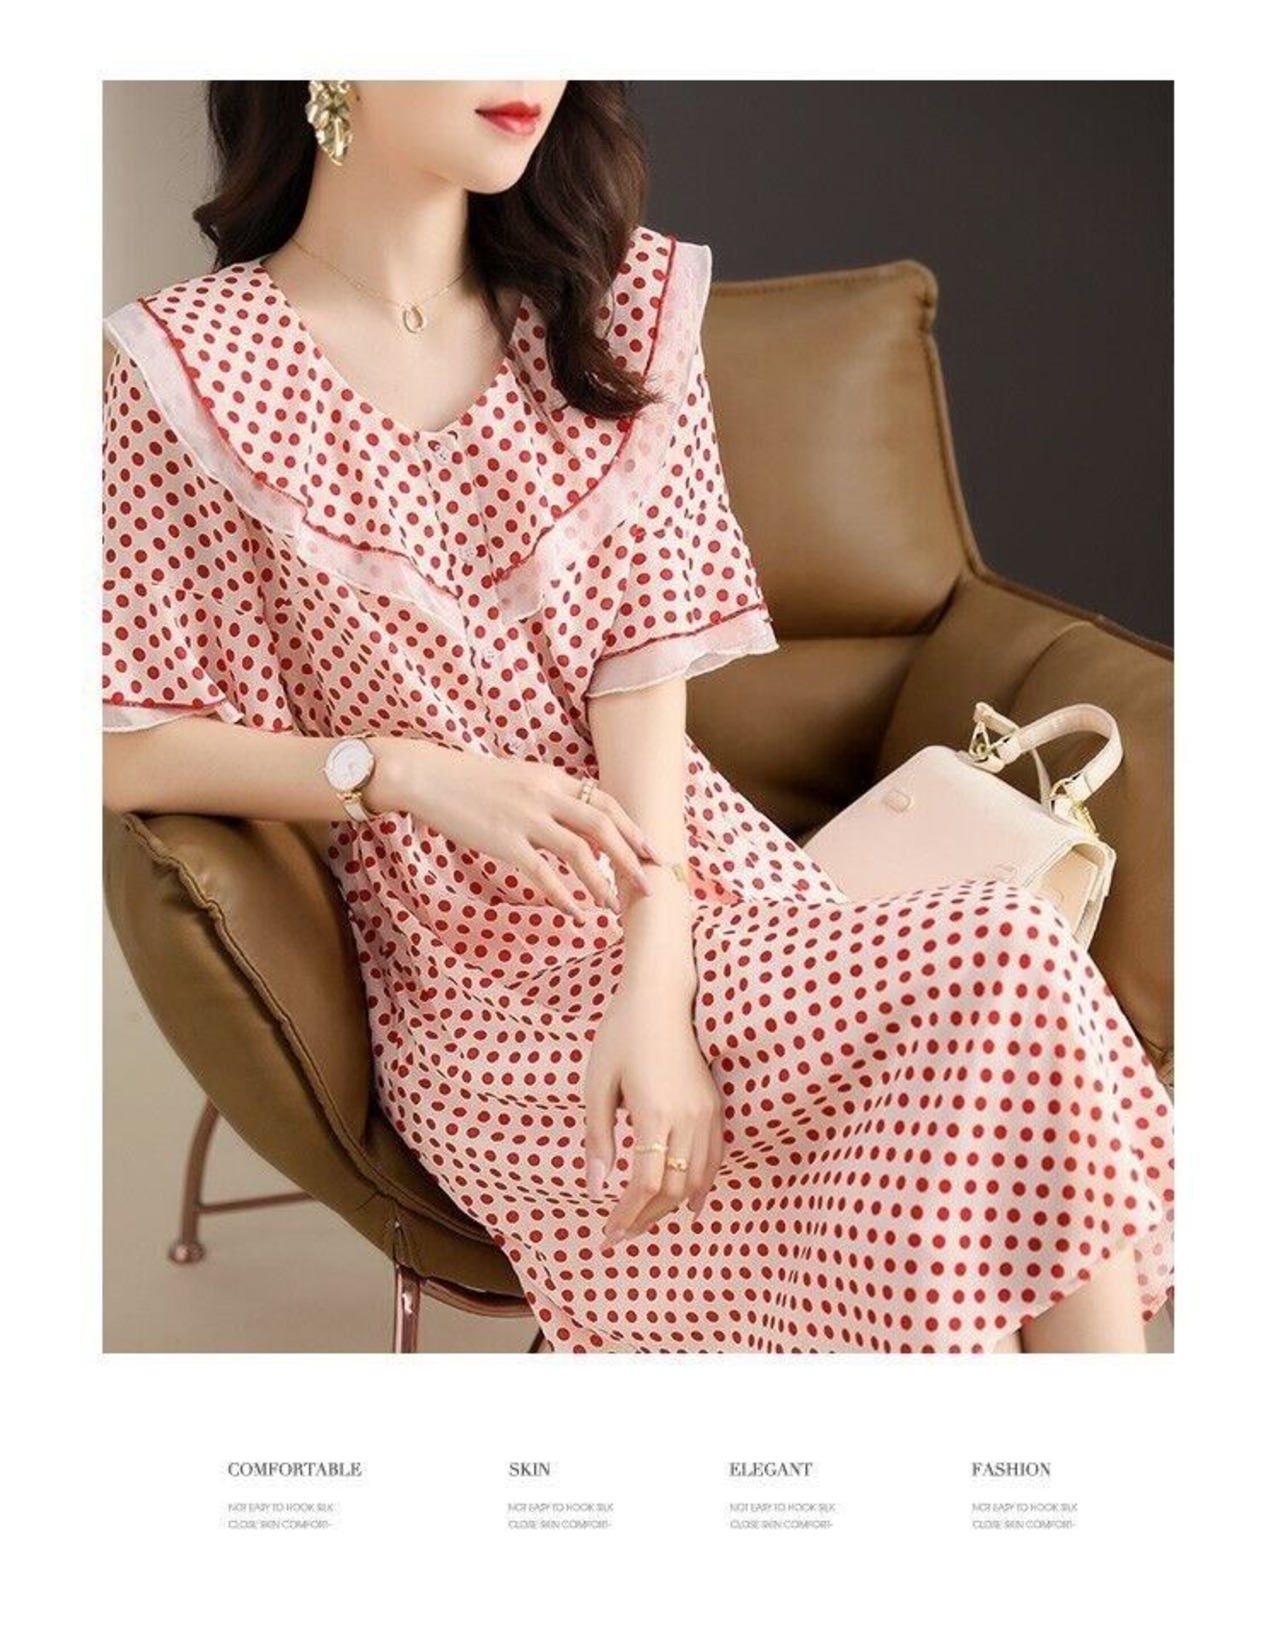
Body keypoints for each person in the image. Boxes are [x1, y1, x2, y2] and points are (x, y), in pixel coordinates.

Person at [102, 80, 1174, 1352]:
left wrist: (654, 987)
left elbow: (640, 677)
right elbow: (117, 743)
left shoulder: (611, 311)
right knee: (996, 979)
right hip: (471, 988)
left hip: (702, 893)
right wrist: (400, 772)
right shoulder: (184, 366)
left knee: (999, 971)